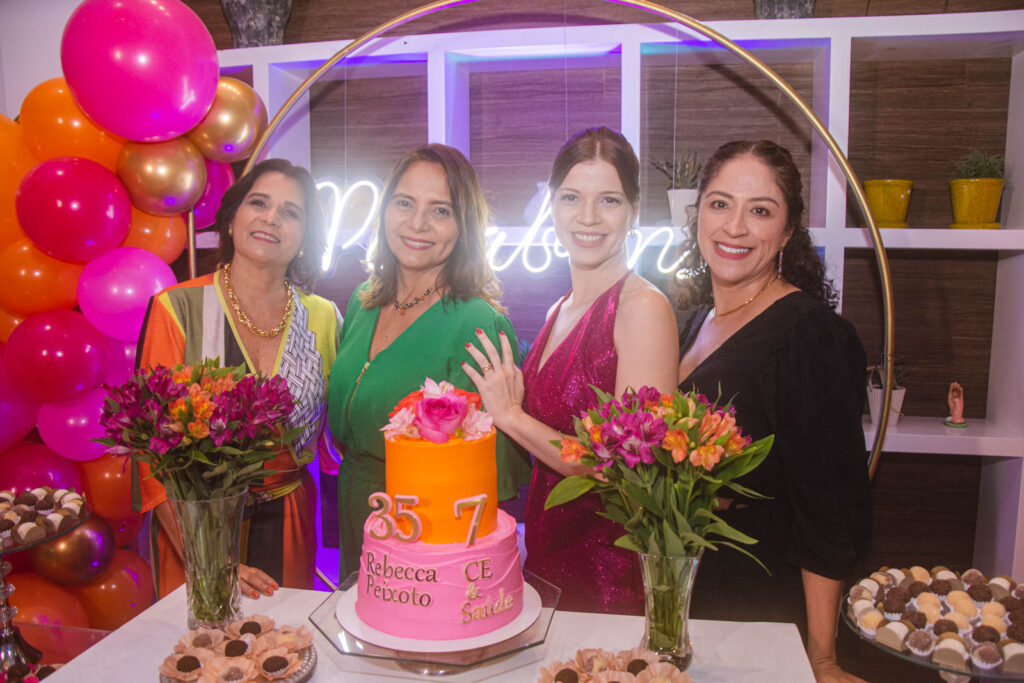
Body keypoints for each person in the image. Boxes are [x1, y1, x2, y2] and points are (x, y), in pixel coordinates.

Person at [674, 140, 872, 682]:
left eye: (760, 210)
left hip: (760, 609)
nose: (734, 227)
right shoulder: (692, 321)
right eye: (719, 204)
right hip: (690, 600)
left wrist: (823, 657)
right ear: (698, 215)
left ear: (788, 232)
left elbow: (829, 507)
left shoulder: (809, 335)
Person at [464, 127, 679, 614]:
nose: (587, 217)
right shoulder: (557, 310)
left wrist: (511, 415)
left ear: (634, 211)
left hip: (608, 567)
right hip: (547, 551)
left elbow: (626, 468)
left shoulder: (642, 307)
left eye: (609, 200)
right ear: (552, 206)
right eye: (570, 198)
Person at [136, 158, 342, 600]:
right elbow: (151, 460)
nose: (272, 218)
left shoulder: (324, 318)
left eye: (292, 212)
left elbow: (337, 437)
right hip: (195, 527)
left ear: (305, 237)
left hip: (291, 523)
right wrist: (211, 560)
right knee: (203, 660)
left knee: (284, 655)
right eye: (259, 203)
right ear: (231, 220)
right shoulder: (177, 309)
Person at [327, 143, 532, 579]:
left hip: (424, 546)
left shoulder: (478, 324)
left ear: (464, 227)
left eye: (440, 210)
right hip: (353, 523)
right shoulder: (362, 304)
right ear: (384, 210)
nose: (417, 223)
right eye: (405, 203)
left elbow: (485, 476)